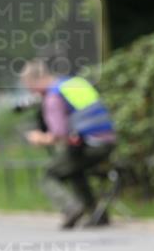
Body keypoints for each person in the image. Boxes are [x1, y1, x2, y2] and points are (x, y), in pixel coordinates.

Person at [20, 59, 116, 229]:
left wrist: (38, 138)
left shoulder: (53, 96)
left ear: (36, 79)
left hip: (89, 145)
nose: (30, 91)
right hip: (107, 141)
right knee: (72, 168)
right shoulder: (74, 84)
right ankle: (97, 215)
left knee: (49, 175)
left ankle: (71, 208)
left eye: (28, 85)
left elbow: (59, 134)